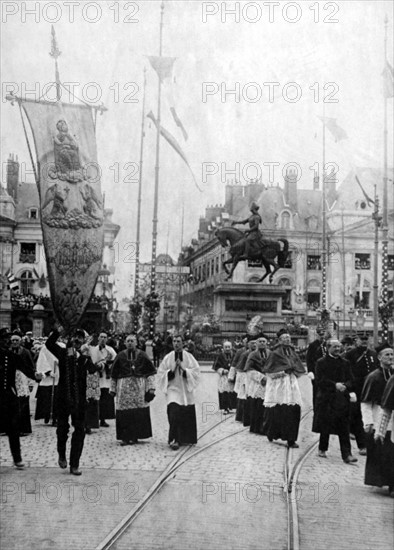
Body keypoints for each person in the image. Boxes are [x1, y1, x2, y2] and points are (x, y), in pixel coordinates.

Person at [46, 326, 98, 475]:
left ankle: (74, 464)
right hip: (63, 399)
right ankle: (61, 454)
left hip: (79, 401)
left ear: (83, 341)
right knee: (62, 429)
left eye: (80, 338)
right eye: (75, 337)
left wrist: (88, 357)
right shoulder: (64, 354)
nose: (77, 340)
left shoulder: (84, 358)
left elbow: (93, 370)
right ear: (70, 339)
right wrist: (58, 330)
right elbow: (49, 344)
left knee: (79, 430)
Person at [0, 328, 41, 468]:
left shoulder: (11, 356)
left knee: (13, 427)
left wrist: (35, 376)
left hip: (8, 396)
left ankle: (17, 458)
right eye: (5, 339)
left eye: (8, 339)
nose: (7, 342)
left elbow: (25, 368)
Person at [312, 339, 358, 463]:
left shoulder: (345, 363)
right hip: (326, 398)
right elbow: (319, 380)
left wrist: (346, 386)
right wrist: (334, 385)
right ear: (328, 348)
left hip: (341, 399)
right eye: (335, 347)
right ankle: (322, 448)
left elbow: (351, 379)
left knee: (344, 426)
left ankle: (347, 454)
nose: (338, 349)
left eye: (339, 347)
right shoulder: (321, 362)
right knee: (325, 425)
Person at [110, 334, 156, 446]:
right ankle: (125, 437)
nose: (130, 343)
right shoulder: (120, 356)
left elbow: (150, 374)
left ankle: (135, 436)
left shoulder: (143, 355)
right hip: (123, 391)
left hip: (139, 391)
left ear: (136, 343)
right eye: (128, 341)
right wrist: (112, 389)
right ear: (125, 343)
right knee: (124, 414)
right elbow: (113, 375)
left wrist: (151, 389)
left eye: (132, 341)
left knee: (137, 413)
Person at [262, 330, 305, 448]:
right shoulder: (274, 353)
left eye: (289, 337)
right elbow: (269, 373)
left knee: (293, 409)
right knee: (279, 410)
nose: (287, 339)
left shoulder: (292, 352)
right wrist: (283, 372)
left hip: (291, 384)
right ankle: (272, 433)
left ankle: (291, 439)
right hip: (278, 385)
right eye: (285, 337)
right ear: (279, 340)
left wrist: (294, 372)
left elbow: (298, 367)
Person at [361, 346, 394, 497]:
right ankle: (380, 480)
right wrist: (368, 421)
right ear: (380, 357)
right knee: (380, 453)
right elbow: (366, 402)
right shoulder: (373, 377)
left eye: (393, 354)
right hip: (378, 415)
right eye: (387, 354)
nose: (391, 357)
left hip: (392, 418)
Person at [157, 334, 200, 449]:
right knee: (174, 412)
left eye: (178, 341)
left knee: (185, 412)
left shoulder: (189, 357)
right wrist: (172, 370)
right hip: (173, 389)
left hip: (186, 389)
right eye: (174, 341)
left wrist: (184, 369)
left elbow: (196, 372)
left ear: (183, 343)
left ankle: (185, 438)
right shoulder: (168, 357)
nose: (176, 344)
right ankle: (174, 439)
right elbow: (161, 374)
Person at [346, 335, 377, 454]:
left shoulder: (373, 354)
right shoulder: (351, 354)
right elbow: (347, 371)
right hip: (357, 387)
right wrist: (350, 389)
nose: (364, 342)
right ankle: (362, 445)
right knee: (358, 416)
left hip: (371, 388)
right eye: (361, 340)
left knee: (371, 415)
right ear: (357, 341)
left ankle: (371, 443)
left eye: (366, 340)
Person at [10, 333, 36, 436]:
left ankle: (23, 428)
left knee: (23, 404)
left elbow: (31, 366)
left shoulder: (26, 352)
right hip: (11, 379)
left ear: (20, 341)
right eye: (13, 340)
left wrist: (31, 382)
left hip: (23, 378)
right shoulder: (8, 351)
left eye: (17, 340)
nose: (15, 342)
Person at [90, 333, 116, 428]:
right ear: (98, 338)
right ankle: (95, 418)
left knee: (105, 399)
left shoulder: (110, 350)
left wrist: (109, 366)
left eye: (105, 337)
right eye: (101, 337)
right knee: (97, 398)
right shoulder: (93, 350)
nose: (103, 339)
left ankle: (103, 419)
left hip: (106, 378)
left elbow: (115, 360)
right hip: (97, 377)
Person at [245, 336, 269, 434]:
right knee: (257, 407)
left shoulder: (270, 354)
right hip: (257, 383)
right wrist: (261, 377)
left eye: (264, 341)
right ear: (257, 343)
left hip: (269, 382)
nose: (262, 343)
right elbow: (249, 369)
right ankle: (257, 428)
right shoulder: (252, 355)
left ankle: (266, 428)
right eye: (260, 341)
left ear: (267, 343)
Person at [35, 343, 60, 426]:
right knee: (46, 399)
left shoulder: (62, 346)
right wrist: (48, 372)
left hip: (58, 374)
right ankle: (46, 415)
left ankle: (55, 418)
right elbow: (42, 360)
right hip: (47, 378)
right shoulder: (45, 348)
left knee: (56, 399)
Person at [306, 328, 331, 407]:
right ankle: (316, 408)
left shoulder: (327, 345)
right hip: (316, 372)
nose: (322, 336)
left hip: (326, 372)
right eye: (320, 335)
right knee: (317, 391)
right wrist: (310, 371)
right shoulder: (313, 345)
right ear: (317, 335)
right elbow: (309, 359)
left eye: (323, 334)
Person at [212, 341, 237, 414]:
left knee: (233, 392)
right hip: (224, 376)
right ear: (223, 348)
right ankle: (225, 408)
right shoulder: (220, 356)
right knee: (224, 392)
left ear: (231, 347)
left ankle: (232, 407)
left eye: (229, 347)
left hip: (232, 375)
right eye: (226, 347)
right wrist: (222, 370)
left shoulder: (234, 355)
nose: (227, 348)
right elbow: (216, 366)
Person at [83, 345, 101, 435]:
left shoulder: (93, 357)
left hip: (92, 384)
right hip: (85, 384)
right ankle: (86, 425)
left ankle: (89, 425)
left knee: (91, 404)